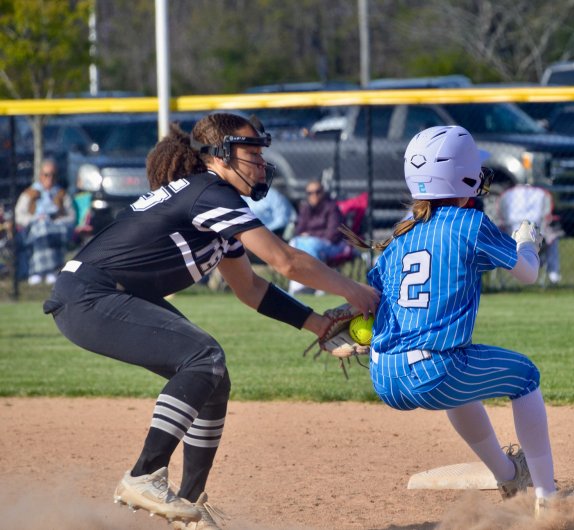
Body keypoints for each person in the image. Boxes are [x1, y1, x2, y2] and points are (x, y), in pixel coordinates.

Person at [42, 113, 379, 529]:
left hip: (107, 294)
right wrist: (354, 290)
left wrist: (318, 325)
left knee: (215, 378)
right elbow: (285, 260)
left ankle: (188, 509)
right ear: (217, 156)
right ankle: (144, 473)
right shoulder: (209, 192)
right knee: (203, 356)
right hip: (90, 297)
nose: (259, 162)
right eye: (249, 152)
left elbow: (251, 289)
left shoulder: (212, 207)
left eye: (259, 152)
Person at [352, 125, 574, 521]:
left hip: (383, 373)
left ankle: (507, 474)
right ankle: (548, 500)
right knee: (525, 377)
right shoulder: (469, 223)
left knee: (463, 386)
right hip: (434, 369)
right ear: (462, 175)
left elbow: (375, 301)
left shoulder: (399, 234)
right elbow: (528, 274)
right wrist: (527, 243)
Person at [15, 158, 76, 285]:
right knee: (41, 229)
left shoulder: (61, 194)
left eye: (53, 175)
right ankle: (37, 272)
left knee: (49, 229)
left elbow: (71, 217)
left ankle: (51, 271)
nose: (50, 178)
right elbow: (19, 216)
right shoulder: (29, 194)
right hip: (34, 228)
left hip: (56, 227)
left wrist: (56, 220)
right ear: (40, 175)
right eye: (46, 175)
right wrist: (35, 219)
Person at [287, 179, 349, 294]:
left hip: (334, 246)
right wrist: (308, 237)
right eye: (310, 193)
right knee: (294, 243)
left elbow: (332, 235)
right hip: (309, 244)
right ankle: (299, 283)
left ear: (323, 192)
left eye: (317, 192)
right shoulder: (305, 208)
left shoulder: (332, 208)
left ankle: (316, 284)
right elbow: (298, 231)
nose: (314, 195)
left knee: (310, 244)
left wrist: (310, 235)